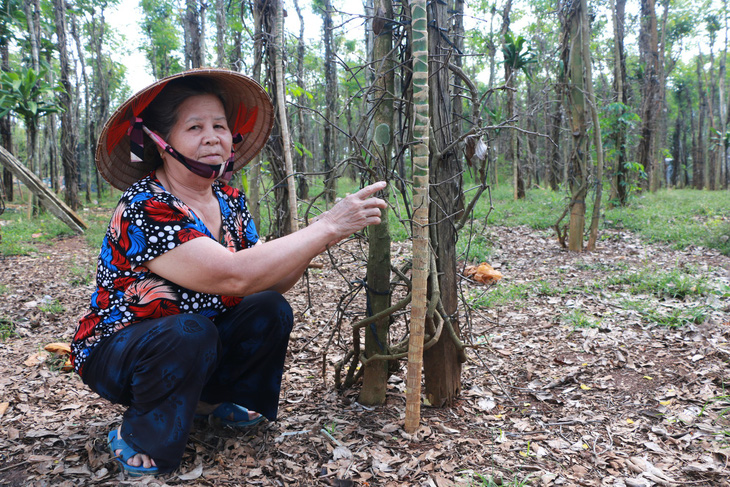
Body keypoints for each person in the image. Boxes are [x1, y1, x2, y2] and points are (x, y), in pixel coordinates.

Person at [70, 68, 386, 477]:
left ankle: (209, 403)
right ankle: (139, 434)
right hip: (121, 350)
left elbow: (266, 283)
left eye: (219, 125)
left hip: (195, 338)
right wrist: (323, 226)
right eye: (195, 127)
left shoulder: (230, 200)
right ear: (160, 143)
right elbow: (233, 276)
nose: (212, 137)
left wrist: (319, 240)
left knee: (269, 307)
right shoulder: (146, 204)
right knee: (190, 331)